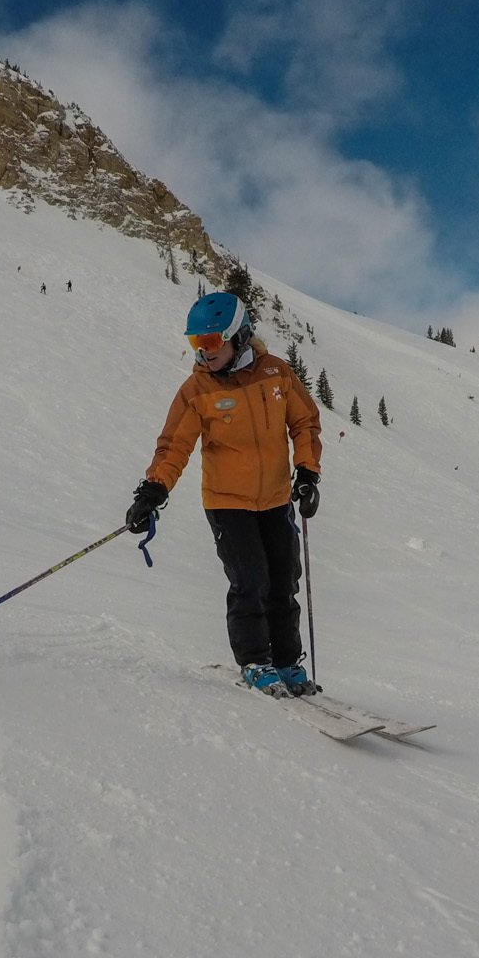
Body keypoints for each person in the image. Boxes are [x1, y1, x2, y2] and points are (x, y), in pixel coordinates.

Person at [126, 291, 322, 695]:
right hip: (227, 503)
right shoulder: (196, 390)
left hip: (276, 499)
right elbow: (174, 446)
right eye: (196, 344)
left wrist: (307, 472)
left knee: (284, 581)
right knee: (250, 582)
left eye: (211, 342)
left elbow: (304, 422)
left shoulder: (277, 374)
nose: (203, 353)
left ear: (238, 336)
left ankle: (287, 662)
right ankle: (255, 661)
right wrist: (153, 489)